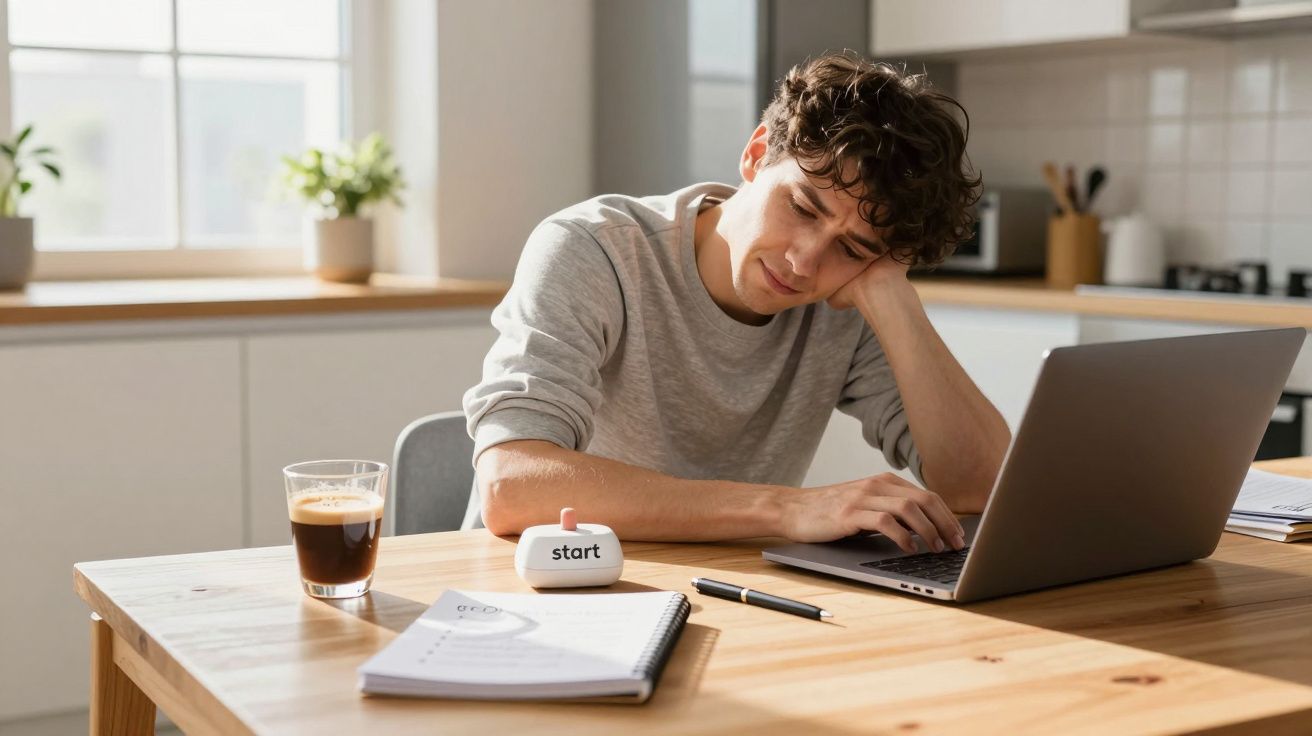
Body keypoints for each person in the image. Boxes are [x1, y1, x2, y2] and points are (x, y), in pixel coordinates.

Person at [462, 52, 1010, 554]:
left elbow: (985, 488)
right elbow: (512, 483)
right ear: (754, 156)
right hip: (548, 588)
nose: (804, 262)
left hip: (734, 593)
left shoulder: (851, 296)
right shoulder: (594, 249)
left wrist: (893, 295)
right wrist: (785, 507)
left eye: (851, 247)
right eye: (801, 207)